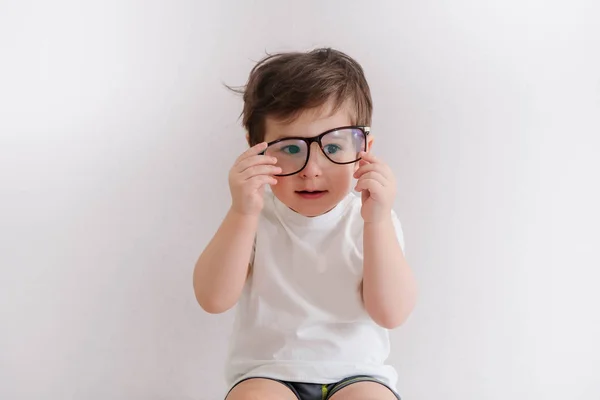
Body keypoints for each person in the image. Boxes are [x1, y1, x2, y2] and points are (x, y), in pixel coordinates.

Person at [193, 48, 417, 400]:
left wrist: (377, 222)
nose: (313, 169)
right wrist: (241, 213)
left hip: (357, 375)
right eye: (291, 149)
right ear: (256, 150)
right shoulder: (254, 215)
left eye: (333, 146)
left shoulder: (373, 216)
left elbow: (390, 313)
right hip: (267, 373)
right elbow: (213, 298)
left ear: (364, 149)